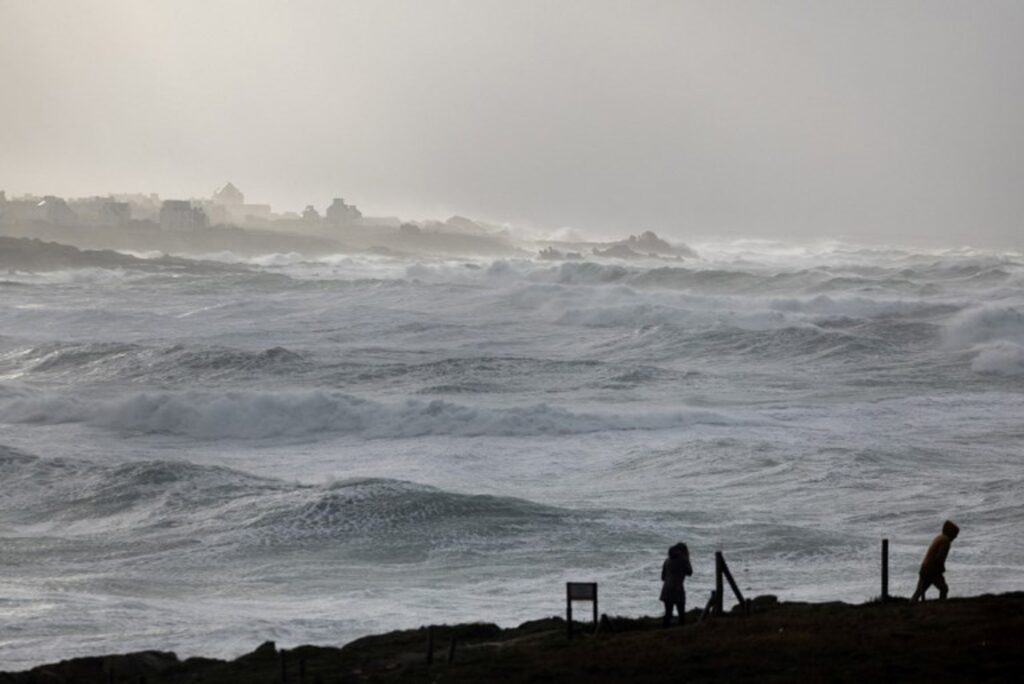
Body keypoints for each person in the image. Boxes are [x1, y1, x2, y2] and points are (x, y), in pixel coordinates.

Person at [910, 520, 960, 601]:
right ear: (951, 532)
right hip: (932, 570)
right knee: (944, 589)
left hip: (925, 567)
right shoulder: (946, 541)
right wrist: (941, 569)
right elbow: (939, 558)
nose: (956, 537)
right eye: (955, 534)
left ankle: (910, 606)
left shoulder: (939, 537)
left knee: (919, 591)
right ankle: (942, 606)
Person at [660, 542, 693, 626]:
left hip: (666, 589)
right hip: (678, 589)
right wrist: (687, 559)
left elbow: (663, 577)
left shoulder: (667, 561)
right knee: (681, 614)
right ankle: (682, 634)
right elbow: (690, 572)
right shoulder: (683, 560)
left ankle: (663, 632)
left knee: (668, 614)